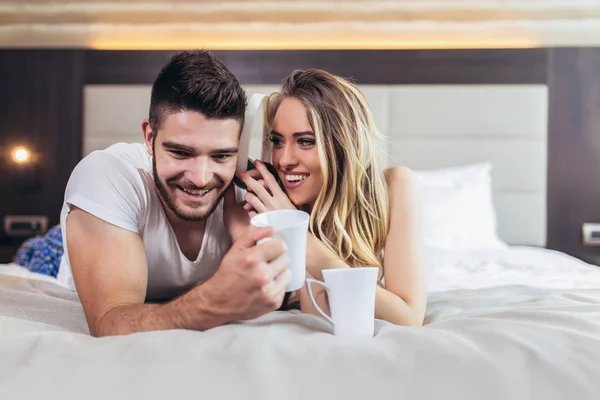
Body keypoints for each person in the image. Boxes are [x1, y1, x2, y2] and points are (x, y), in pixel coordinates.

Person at [57, 50, 292, 337]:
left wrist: (283, 227)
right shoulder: (108, 174)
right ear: (149, 137)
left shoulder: (249, 195)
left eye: (221, 156)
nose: (201, 179)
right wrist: (213, 300)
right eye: (181, 153)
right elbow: (110, 322)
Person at [237, 69, 427, 326]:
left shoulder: (395, 186)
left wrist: (297, 233)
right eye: (278, 141)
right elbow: (316, 316)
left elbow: (408, 318)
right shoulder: (272, 202)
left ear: (342, 145)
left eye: (305, 141)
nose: (284, 160)